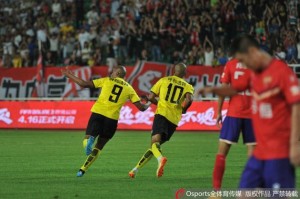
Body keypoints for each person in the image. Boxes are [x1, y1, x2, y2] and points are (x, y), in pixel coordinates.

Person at [200, 34, 300, 189]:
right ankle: (217, 190)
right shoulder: (254, 73)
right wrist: (212, 89)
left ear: (252, 52)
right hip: (260, 153)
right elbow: (236, 88)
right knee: (244, 193)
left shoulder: (281, 71)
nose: (242, 65)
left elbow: (296, 106)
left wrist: (294, 145)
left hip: (279, 152)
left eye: (242, 60)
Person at [61, 66, 151, 177]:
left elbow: (84, 84)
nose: (111, 72)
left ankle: (88, 142)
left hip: (98, 113)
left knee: (87, 139)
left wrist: (69, 75)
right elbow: (141, 108)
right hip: (112, 120)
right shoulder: (129, 88)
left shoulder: (107, 80)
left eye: (113, 71)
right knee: (99, 146)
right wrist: (148, 103)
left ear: (118, 72)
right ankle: (82, 169)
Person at [128, 63, 194, 178]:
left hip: (162, 114)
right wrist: (183, 109)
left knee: (154, 144)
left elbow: (151, 97)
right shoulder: (187, 86)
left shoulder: (164, 80)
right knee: (154, 147)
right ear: (184, 73)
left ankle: (160, 159)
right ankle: (135, 170)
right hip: (174, 120)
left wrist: (159, 103)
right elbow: (189, 100)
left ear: (174, 71)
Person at [211, 57, 255, 190]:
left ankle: (216, 191)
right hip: (253, 116)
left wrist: (218, 112)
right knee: (253, 157)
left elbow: (224, 89)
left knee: (221, 154)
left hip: (234, 113)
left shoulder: (231, 64)